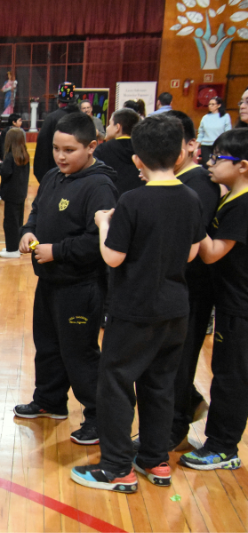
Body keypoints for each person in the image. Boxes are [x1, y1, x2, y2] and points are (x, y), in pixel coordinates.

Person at [72, 114, 205, 493]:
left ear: (136, 160)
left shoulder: (133, 199)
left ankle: (116, 468)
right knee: (160, 385)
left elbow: (113, 257)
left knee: (114, 383)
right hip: (176, 309)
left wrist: (102, 224)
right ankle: (154, 459)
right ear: (180, 154)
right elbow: (192, 253)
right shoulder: (192, 196)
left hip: (135, 310)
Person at [15, 112, 118, 446]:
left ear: (91, 147)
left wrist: (56, 251)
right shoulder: (52, 176)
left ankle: (100, 419)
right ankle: (50, 400)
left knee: (80, 353)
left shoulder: (100, 186)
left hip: (81, 286)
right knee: (47, 346)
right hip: (49, 281)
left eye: (69, 150)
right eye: (56, 148)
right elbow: (35, 213)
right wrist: (27, 232)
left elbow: (98, 241)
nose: (60, 156)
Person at [180, 128, 248, 471]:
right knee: (226, 372)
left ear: (243, 166)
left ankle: (223, 447)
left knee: (231, 377)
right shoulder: (231, 196)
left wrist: (193, 220)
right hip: (231, 302)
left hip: (241, 308)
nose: (210, 161)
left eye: (219, 157)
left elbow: (212, 254)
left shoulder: (243, 203)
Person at [159, 110, 221, 451]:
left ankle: (174, 426)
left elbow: (193, 248)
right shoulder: (173, 180)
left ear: (191, 145)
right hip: (172, 287)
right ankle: (188, 404)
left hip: (190, 289)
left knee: (179, 360)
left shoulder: (199, 186)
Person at [33, 83, 80, 182]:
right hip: (80, 174)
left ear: (58, 100)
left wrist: (44, 179)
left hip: (57, 174)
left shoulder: (52, 118)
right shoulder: (84, 118)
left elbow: (42, 150)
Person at [93, 108, 142, 196]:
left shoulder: (103, 149)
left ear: (117, 127)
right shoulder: (142, 149)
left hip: (110, 198)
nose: (107, 128)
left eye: (109, 124)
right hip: (139, 198)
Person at [0, 127, 30, 259]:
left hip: (11, 194)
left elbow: (6, 173)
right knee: (18, 220)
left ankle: (12, 249)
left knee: (10, 222)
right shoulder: (24, 155)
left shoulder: (10, 157)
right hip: (21, 193)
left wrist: (1, 165)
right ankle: (16, 246)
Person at [197, 96, 232, 167]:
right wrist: (196, 145)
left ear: (219, 105)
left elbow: (228, 132)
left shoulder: (225, 116)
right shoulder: (205, 117)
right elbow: (201, 133)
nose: (210, 106)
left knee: (217, 164)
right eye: (209, 104)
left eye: (213, 104)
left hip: (219, 145)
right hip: (206, 145)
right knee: (206, 165)